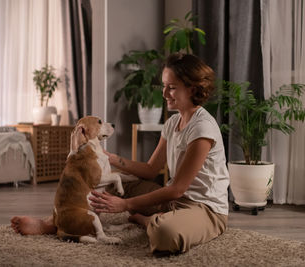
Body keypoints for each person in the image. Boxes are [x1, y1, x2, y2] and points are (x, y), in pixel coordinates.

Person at [11, 53, 229, 255]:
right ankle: (55, 222)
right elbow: (151, 170)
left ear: (192, 89)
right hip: (173, 202)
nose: (164, 94)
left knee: (165, 235)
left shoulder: (202, 129)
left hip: (205, 209)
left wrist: (126, 206)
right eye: (164, 86)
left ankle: (148, 221)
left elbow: (177, 188)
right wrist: (110, 158)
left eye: (171, 87)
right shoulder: (173, 123)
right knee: (115, 182)